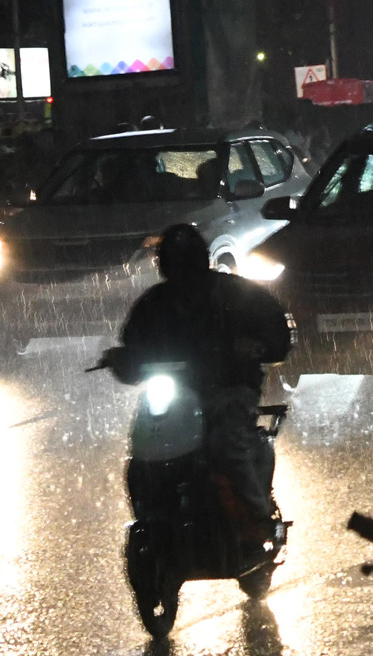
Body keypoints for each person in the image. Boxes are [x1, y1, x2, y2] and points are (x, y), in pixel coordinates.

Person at [102, 224, 291, 548]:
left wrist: (254, 346)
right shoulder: (153, 305)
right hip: (175, 394)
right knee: (143, 449)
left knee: (225, 443)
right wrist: (122, 360)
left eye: (185, 262)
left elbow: (276, 335)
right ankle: (150, 516)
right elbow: (134, 350)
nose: (181, 272)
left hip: (230, 387)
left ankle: (257, 519)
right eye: (173, 262)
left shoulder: (238, 295)